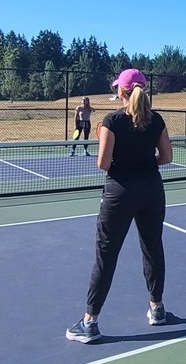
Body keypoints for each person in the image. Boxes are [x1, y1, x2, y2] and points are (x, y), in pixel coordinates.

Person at [66, 69, 174, 343]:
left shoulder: (111, 120)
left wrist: (124, 166)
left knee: (106, 255)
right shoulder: (156, 119)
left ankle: (89, 322)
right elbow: (167, 157)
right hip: (152, 190)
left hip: (119, 193)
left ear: (121, 92)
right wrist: (145, 165)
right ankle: (157, 309)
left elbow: (103, 163)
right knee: (153, 248)